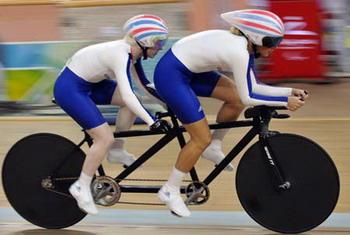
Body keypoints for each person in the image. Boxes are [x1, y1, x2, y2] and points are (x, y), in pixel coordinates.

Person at [154, 9, 309, 217]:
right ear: (255, 37)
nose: (276, 47)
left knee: (234, 99)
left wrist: (289, 91)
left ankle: (215, 147)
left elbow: (252, 87)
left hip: (189, 69)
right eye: (272, 42)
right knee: (201, 138)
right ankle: (169, 190)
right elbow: (249, 98)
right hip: (171, 75)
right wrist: (284, 101)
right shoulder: (239, 51)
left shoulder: (246, 46)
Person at [53, 14, 171, 215]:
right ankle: (81, 186)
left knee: (131, 104)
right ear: (145, 41)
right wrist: (152, 121)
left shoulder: (133, 54)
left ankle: (116, 151)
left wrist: (169, 105)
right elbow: (127, 92)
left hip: (90, 83)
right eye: (159, 42)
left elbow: (144, 86)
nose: (160, 47)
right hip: (70, 88)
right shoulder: (121, 54)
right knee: (104, 138)